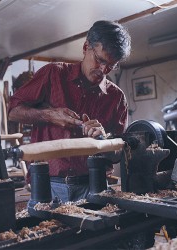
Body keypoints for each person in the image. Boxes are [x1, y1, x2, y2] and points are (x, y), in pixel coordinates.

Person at [8, 20, 131, 202]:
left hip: (94, 186)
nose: (103, 70)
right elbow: (12, 111)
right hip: (47, 184)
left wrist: (103, 142)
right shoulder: (53, 74)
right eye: (100, 60)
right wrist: (49, 115)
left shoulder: (117, 98)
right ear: (85, 47)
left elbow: (119, 155)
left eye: (111, 66)